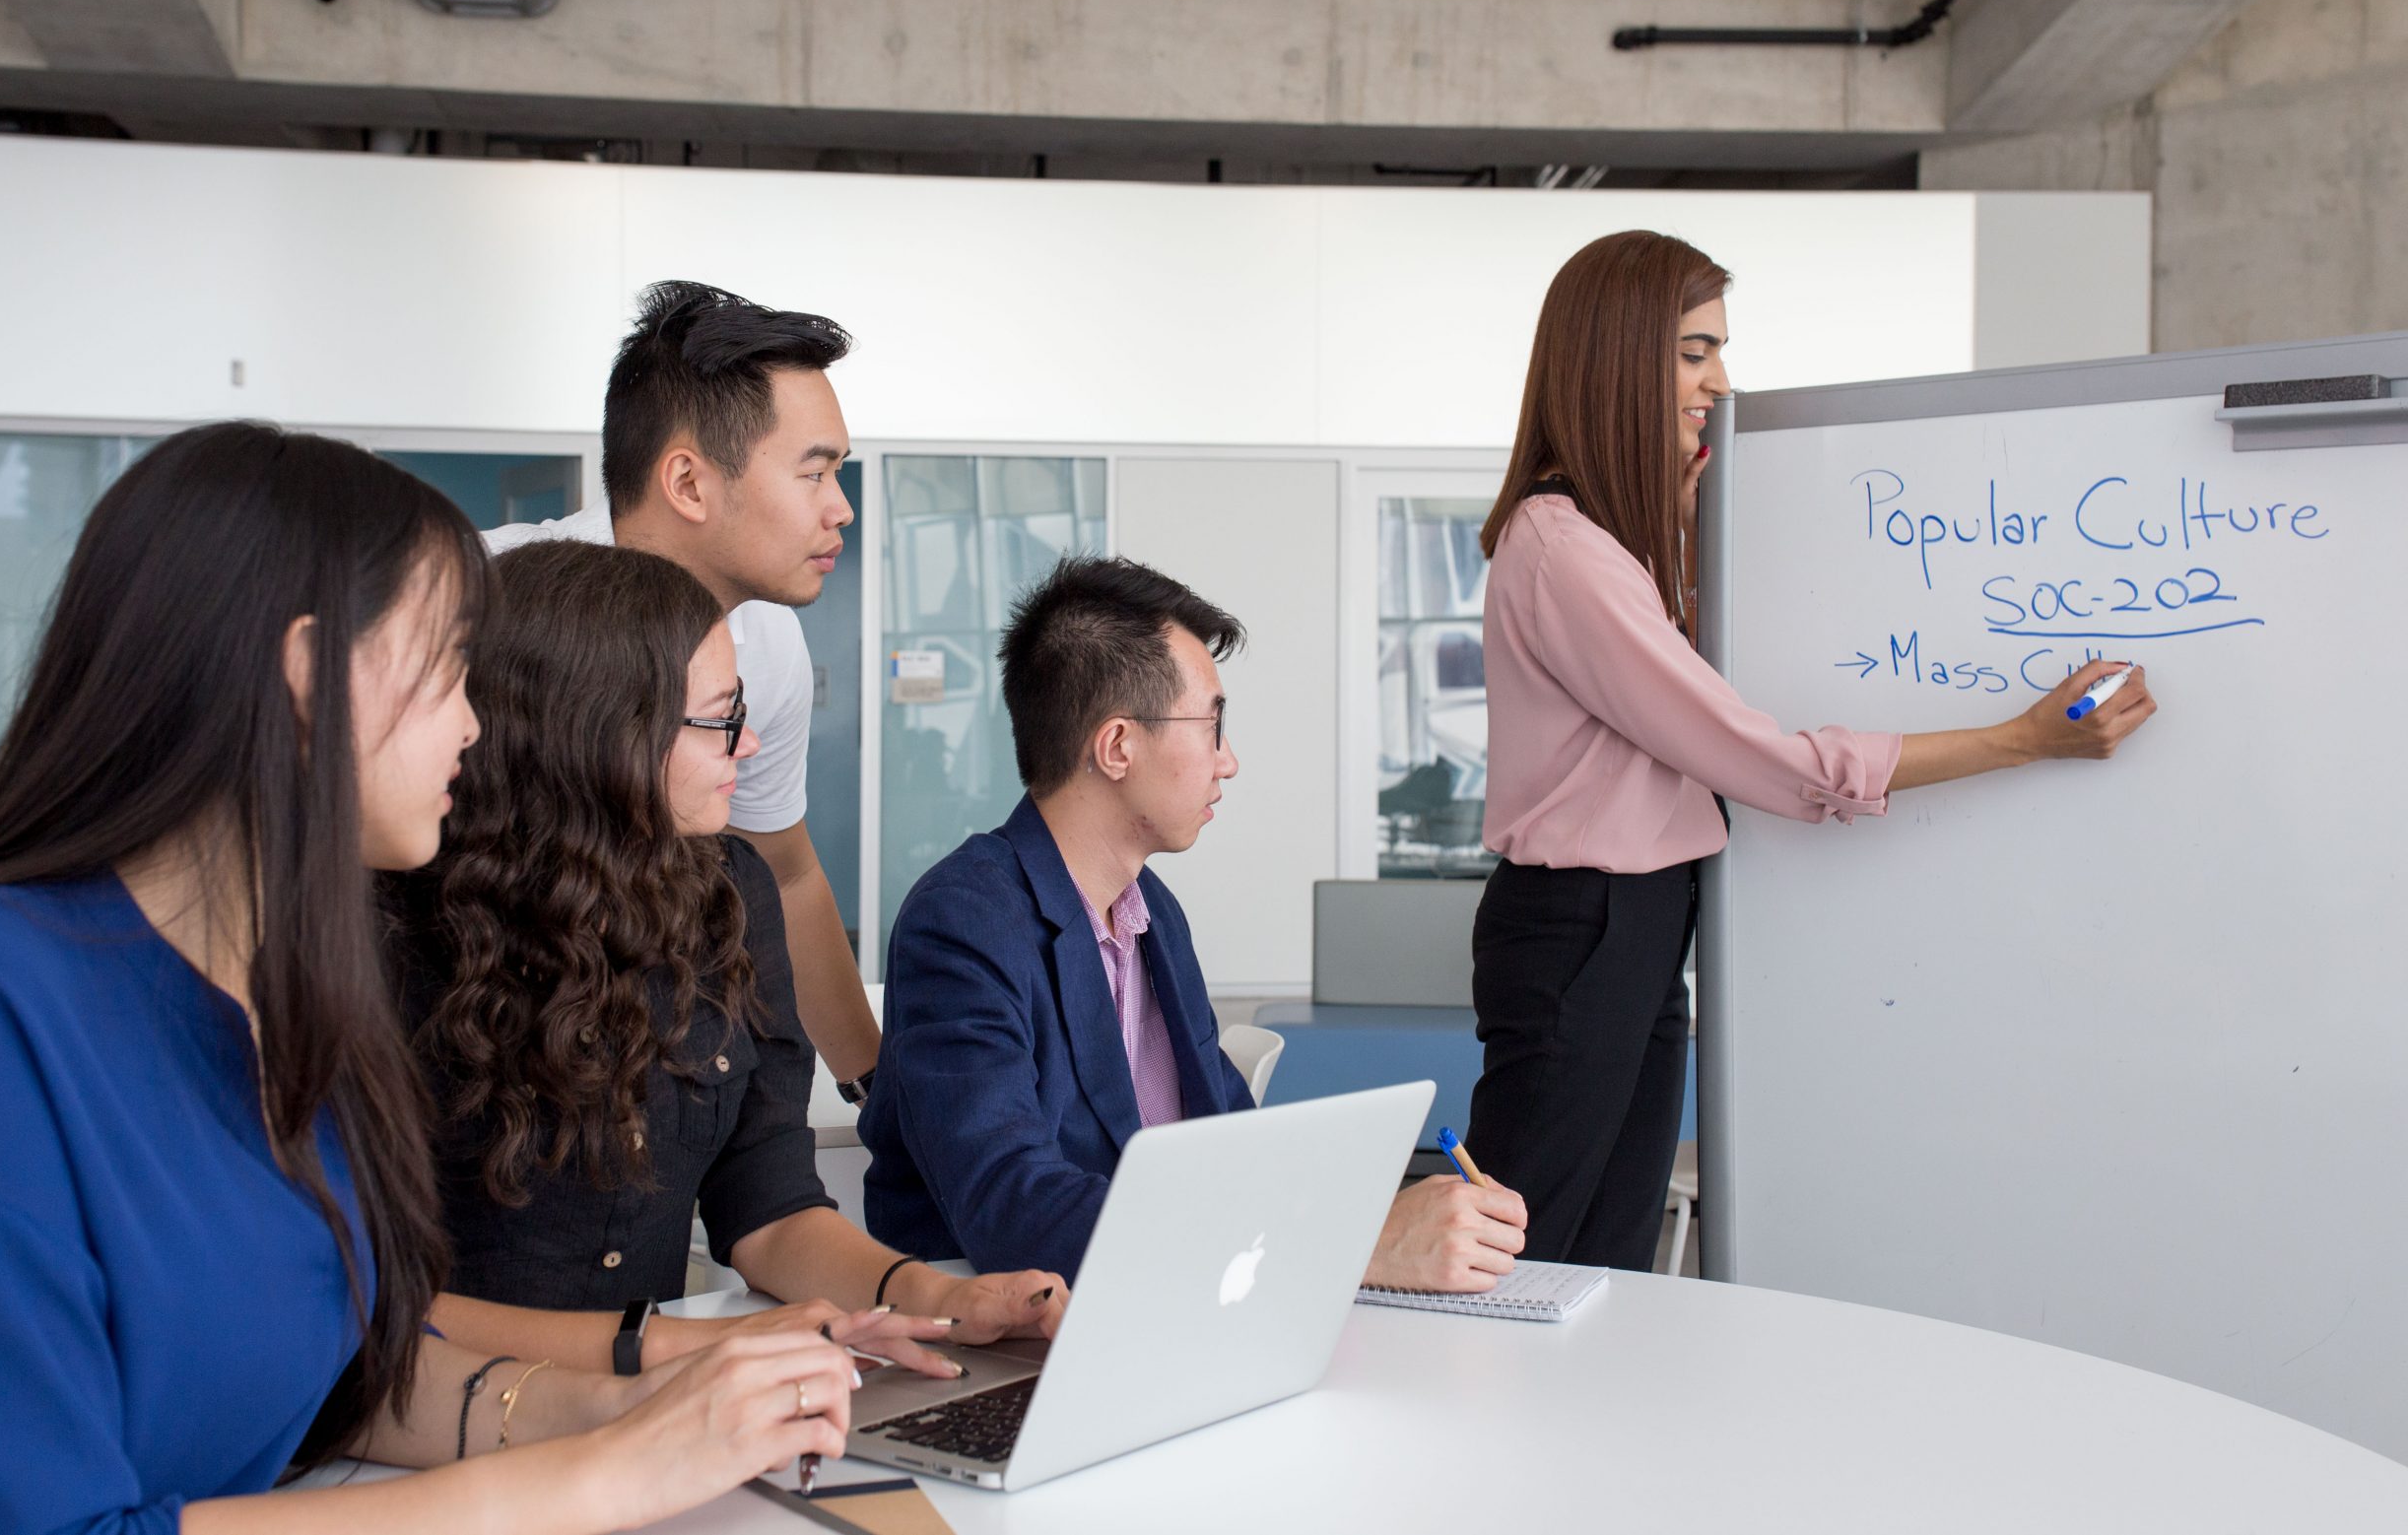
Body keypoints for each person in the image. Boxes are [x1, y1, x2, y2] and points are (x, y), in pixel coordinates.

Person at [0, 424, 856, 1534]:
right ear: (310, 679)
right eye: (450, 668)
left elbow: (353, 1380)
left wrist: (636, 1408)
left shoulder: (284, 994)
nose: (477, 723)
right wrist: (597, 1478)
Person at [1464, 230, 2160, 1270]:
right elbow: (1761, 761)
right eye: (1694, 352)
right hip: (1586, 924)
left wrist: (1695, 536)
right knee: (1513, 1254)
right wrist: (2019, 739)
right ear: (1616, 355)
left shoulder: (1608, 548)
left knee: (1602, 1256)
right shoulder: (1563, 550)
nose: (1719, 381)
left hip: (1633, 921)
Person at [390, 540, 1065, 1377]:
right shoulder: (395, 926)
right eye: (719, 717)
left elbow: (770, 1207)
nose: (747, 746)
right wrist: (691, 1344)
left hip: (661, 1404)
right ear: (600, 732)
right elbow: (367, 1308)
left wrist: (933, 1298)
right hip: (430, 1423)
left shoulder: (732, 899)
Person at [861, 556, 1529, 1288]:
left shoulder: (1154, 915)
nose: (1229, 761)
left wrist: (1384, 1209)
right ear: (1118, 746)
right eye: (1212, 725)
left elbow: (1233, 1146)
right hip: (1020, 1345)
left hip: (1179, 1312)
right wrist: (1352, 1245)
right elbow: (1012, 1210)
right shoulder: (963, 922)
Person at [487, 282, 880, 1097]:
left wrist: (880, 1085)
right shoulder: (475, 604)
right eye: (815, 473)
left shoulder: (766, 648)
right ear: (691, 484)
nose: (841, 508)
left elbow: (788, 874)